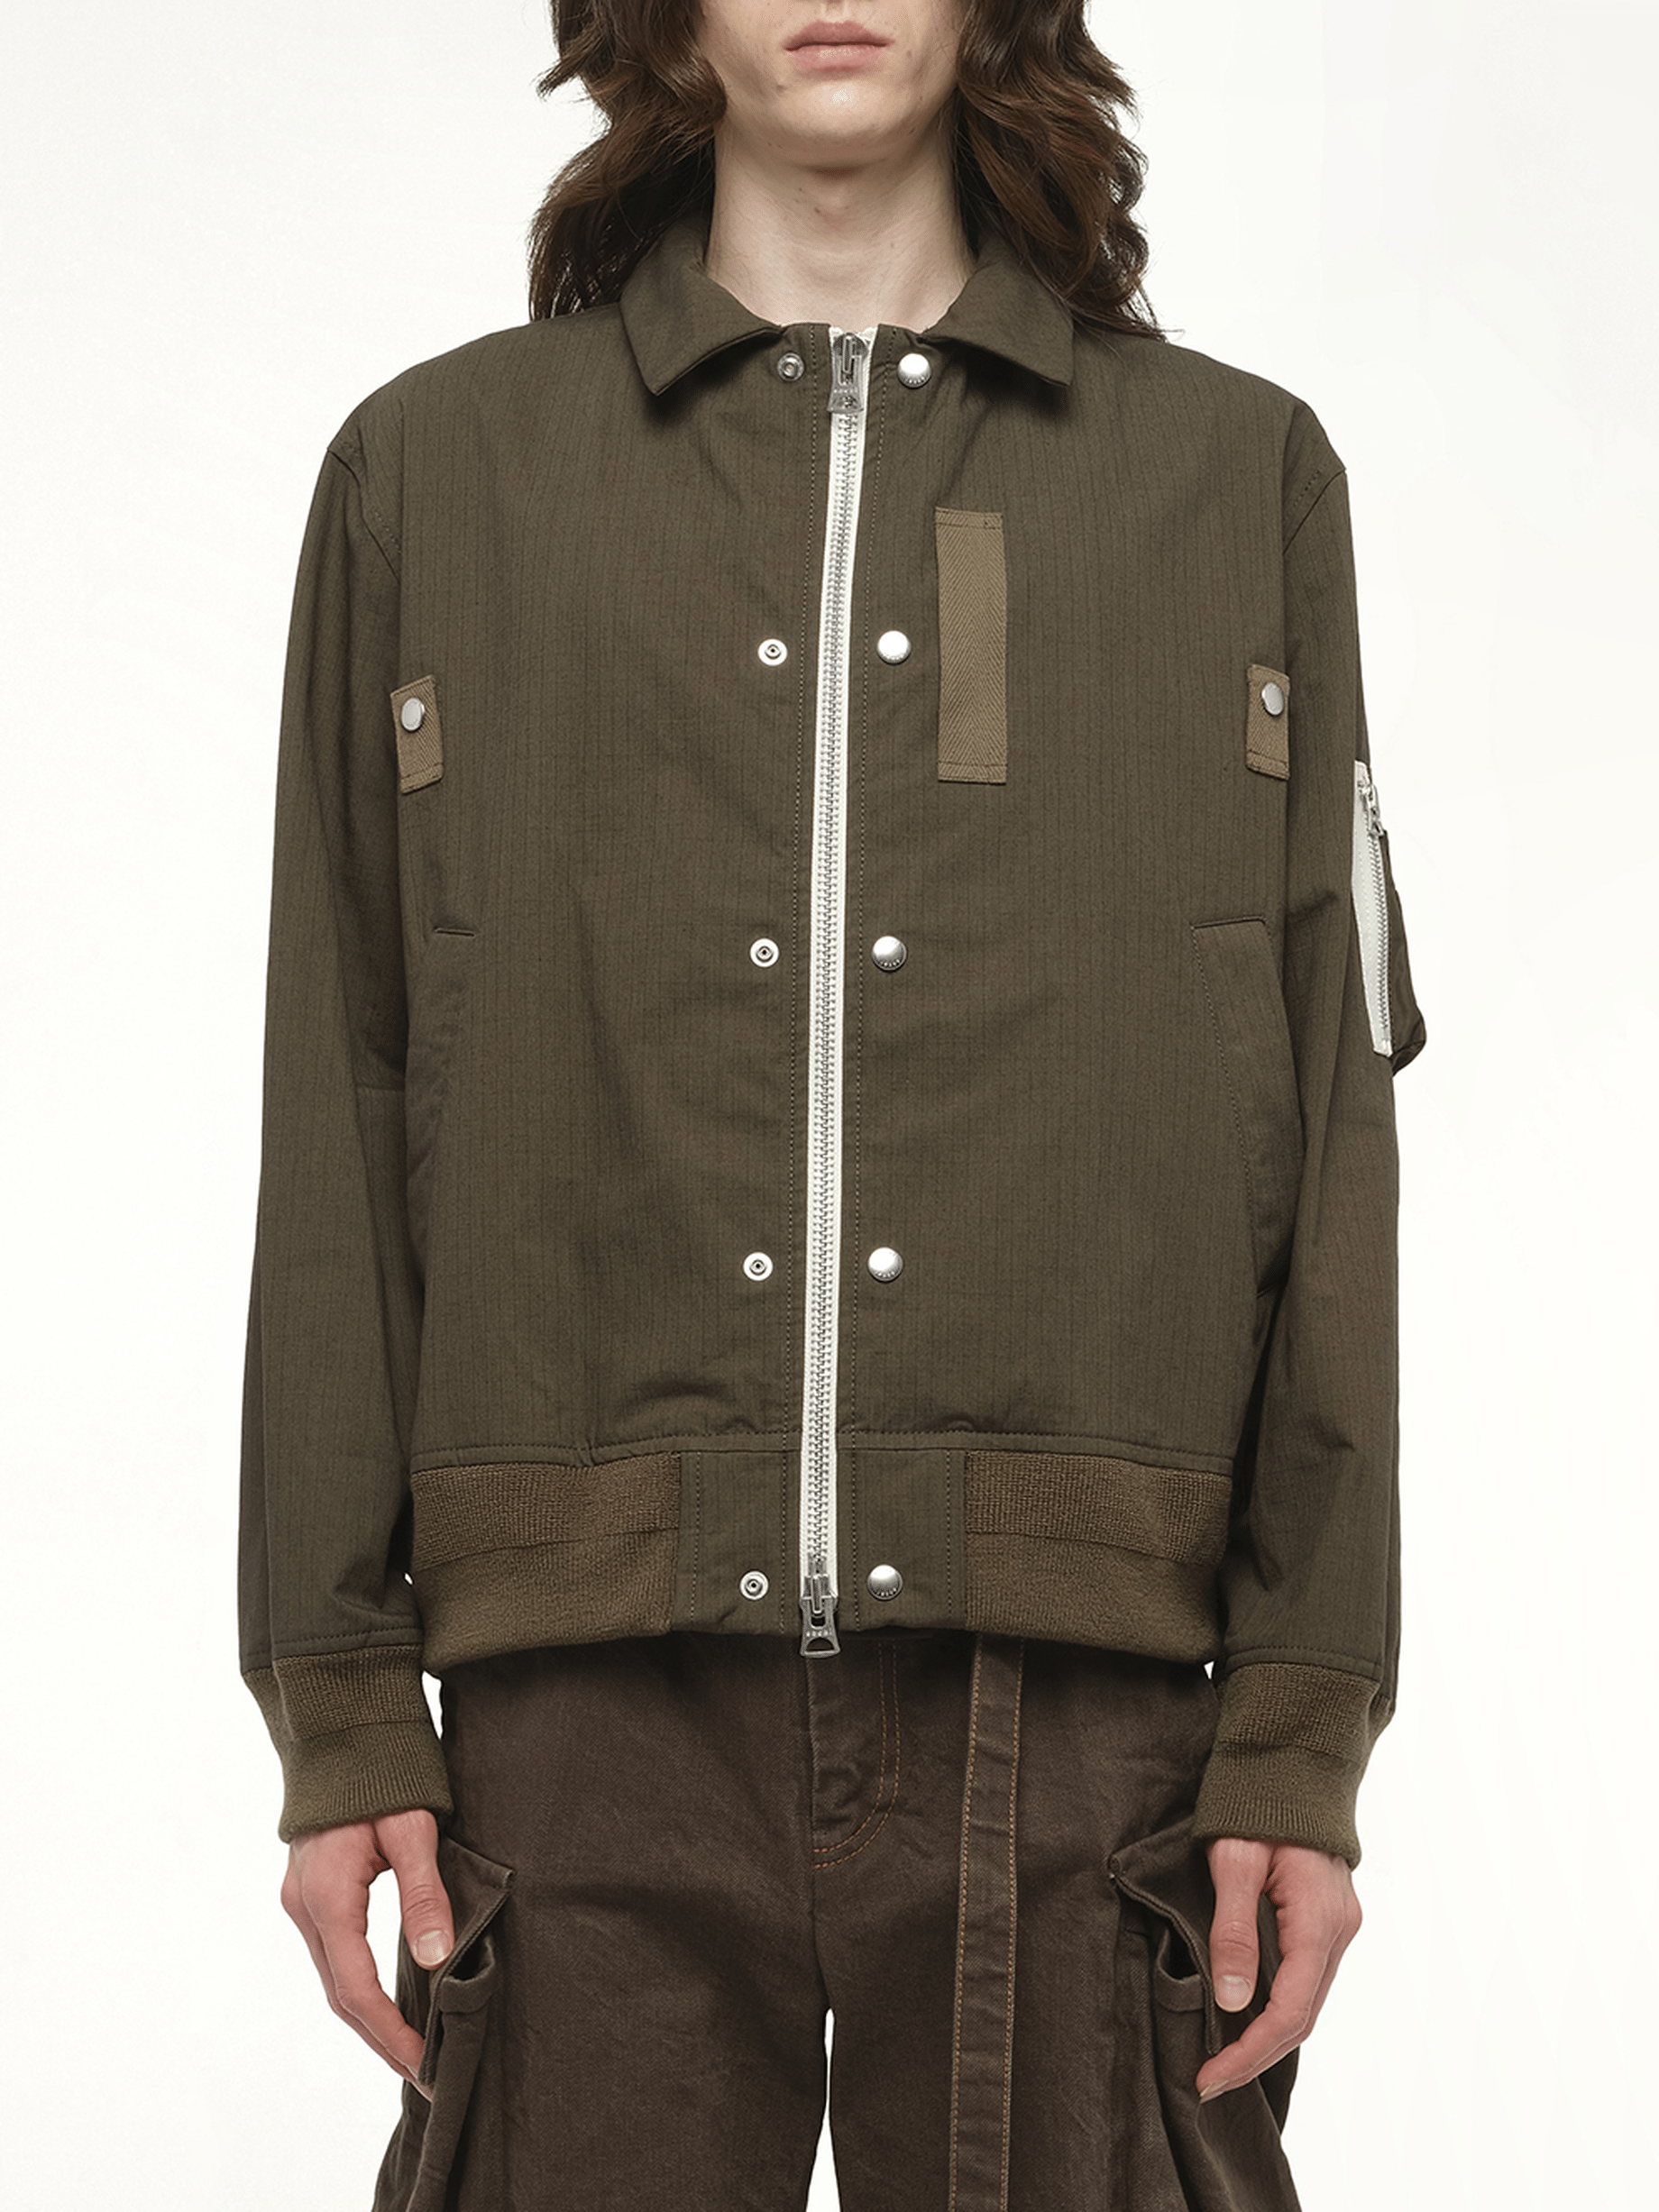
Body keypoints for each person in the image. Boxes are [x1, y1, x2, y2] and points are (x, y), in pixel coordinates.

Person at [240, 3, 1426, 2206]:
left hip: (1077, 1738)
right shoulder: (435, 472)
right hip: (576, 1736)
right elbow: (342, 1083)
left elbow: (1323, 1108)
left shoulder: (1230, 478)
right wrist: (338, 1695)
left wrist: (1298, 1710)